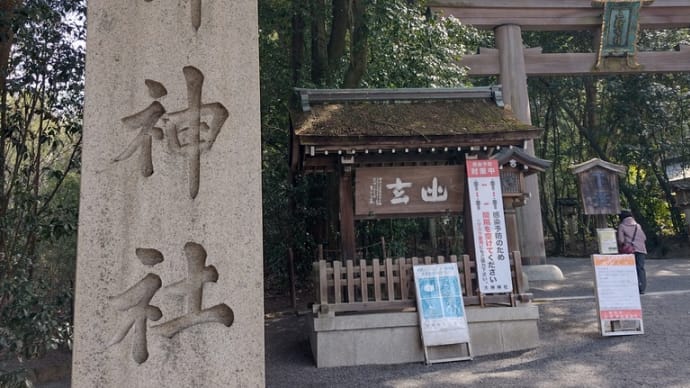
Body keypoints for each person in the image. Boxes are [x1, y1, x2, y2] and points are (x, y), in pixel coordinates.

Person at [617, 209, 647, 294]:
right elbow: (644, 238)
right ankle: (642, 288)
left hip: (629, 251)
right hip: (641, 249)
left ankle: (631, 286)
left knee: (629, 268)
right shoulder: (638, 226)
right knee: (640, 268)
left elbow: (621, 240)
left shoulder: (622, 226)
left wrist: (626, 243)